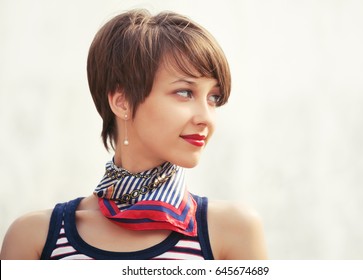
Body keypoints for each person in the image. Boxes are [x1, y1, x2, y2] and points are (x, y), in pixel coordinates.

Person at [0, 9, 267, 260]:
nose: (206, 118)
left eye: (214, 98)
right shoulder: (36, 237)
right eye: (185, 92)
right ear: (122, 102)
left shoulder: (232, 231)